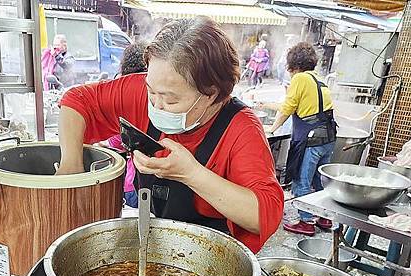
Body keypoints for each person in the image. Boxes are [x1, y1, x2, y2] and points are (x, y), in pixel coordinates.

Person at [56, 18, 283, 254]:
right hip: (149, 239)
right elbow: (76, 101)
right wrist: (71, 165)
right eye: (151, 91)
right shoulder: (146, 93)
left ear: (211, 94)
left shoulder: (241, 129)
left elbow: (263, 215)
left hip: (208, 257)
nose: (156, 104)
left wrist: (191, 173)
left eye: (171, 99)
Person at [267, 42, 337, 236]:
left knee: (301, 179)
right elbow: (295, 104)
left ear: (293, 65)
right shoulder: (318, 79)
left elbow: (288, 108)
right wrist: (265, 103)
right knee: (318, 180)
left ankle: (306, 221)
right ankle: (324, 217)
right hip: (328, 139)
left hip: (311, 140)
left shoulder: (299, 79)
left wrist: (271, 129)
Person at [105, 42, 148, 208]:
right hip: (159, 185)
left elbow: (119, 141)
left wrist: (106, 142)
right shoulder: (162, 91)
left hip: (134, 184)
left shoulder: (123, 92)